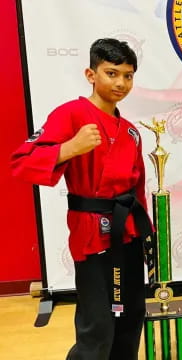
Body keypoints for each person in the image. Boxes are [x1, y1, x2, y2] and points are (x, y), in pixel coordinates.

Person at [11, 38, 153, 360]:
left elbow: (138, 188)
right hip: (92, 235)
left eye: (128, 75)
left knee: (130, 318)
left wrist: (147, 237)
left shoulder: (131, 131)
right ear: (91, 74)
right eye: (112, 73)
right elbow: (21, 163)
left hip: (127, 232)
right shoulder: (71, 115)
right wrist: (69, 148)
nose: (120, 83)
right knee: (98, 326)